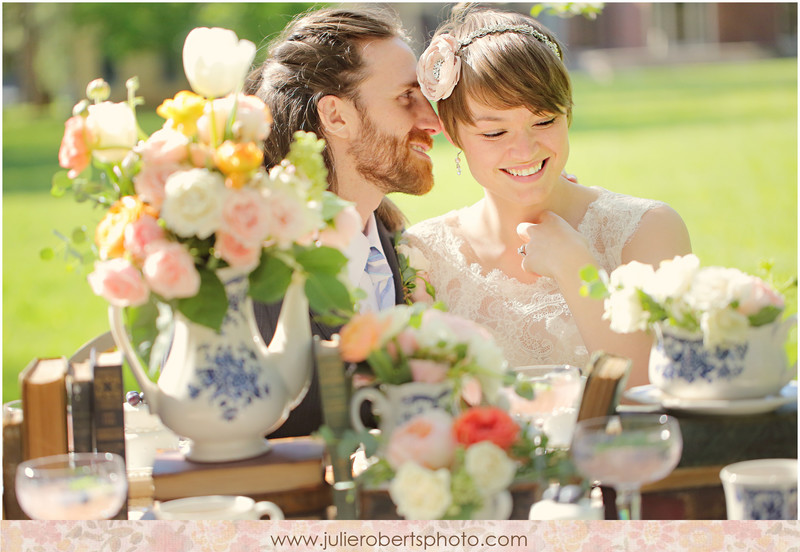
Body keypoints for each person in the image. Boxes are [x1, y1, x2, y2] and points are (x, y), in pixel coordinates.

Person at [404, 6, 692, 389]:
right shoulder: (424, 256)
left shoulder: (647, 230)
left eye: (544, 121)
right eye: (494, 133)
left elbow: (654, 395)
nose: (524, 150)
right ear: (454, 136)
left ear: (567, 114)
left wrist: (578, 270)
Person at [245, 6, 441, 436]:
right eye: (407, 97)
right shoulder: (258, 270)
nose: (434, 122)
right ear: (336, 116)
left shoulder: (397, 245)